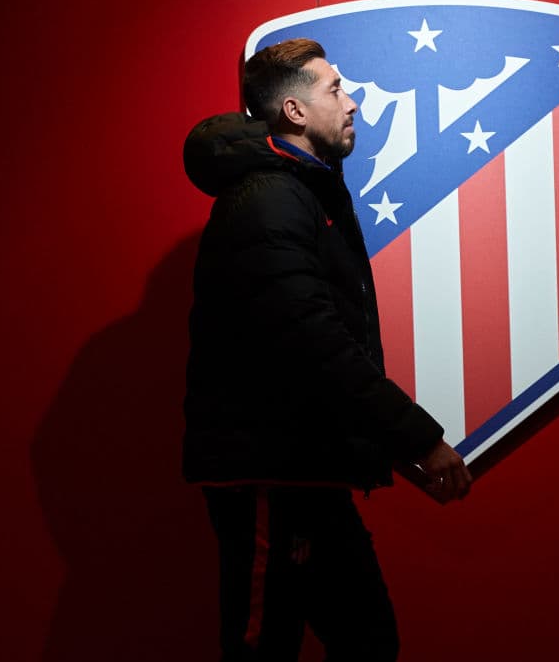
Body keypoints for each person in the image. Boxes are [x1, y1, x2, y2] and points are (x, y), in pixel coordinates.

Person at [182, 38, 472, 661]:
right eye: (335, 89)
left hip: (306, 472)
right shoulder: (268, 199)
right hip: (271, 476)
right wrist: (418, 439)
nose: (354, 103)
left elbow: (313, 350)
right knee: (263, 649)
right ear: (293, 111)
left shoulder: (302, 193)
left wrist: (391, 450)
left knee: (369, 642)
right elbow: (313, 343)